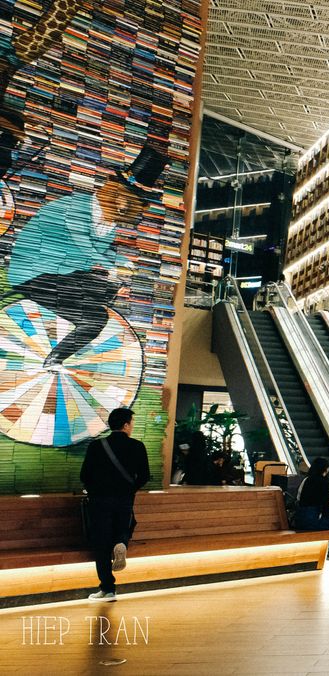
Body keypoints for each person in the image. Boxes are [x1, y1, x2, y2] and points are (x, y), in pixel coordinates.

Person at [2, 145, 167, 369]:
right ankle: (54, 359)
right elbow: (83, 242)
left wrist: (121, 264)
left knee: (109, 290)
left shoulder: (110, 225)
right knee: (96, 318)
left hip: (63, 272)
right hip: (36, 271)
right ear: (116, 191)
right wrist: (112, 265)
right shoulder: (78, 206)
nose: (128, 207)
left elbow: (102, 251)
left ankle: (63, 326)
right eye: (129, 199)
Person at [79, 407, 149, 602]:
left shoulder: (96, 446)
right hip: (124, 499)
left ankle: (107, 589)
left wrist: (96, 490)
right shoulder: (137, 446)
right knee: (126, 526)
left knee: (101, 542)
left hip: (100, 501)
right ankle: (122, 543)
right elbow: (144, 476)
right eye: (132, 423)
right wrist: (130, 489)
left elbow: (84, 475)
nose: (132, 426)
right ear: (126, 425)